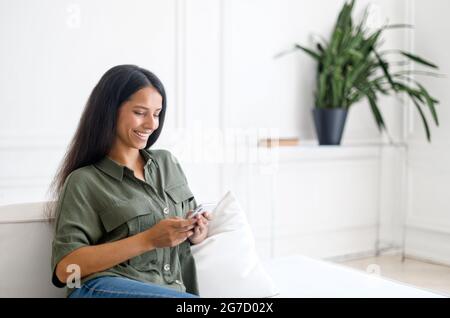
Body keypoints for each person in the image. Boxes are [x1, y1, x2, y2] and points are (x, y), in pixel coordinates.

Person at [47, 65, 211, 298]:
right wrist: (148, 240)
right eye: (140, 112)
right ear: (110, 111)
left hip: (171, 291)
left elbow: (184, 237)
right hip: (102, 288)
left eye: (156, 114)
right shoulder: (84, 181)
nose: (152, 124)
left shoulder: (167, 163)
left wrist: (195, 234)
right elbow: (66, 271)